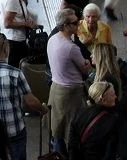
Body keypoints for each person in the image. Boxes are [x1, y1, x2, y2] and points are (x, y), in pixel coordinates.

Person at [0, 33, 48, 160]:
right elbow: (30, 102)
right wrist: (43, 109)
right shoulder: (16, 74)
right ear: (5, 48)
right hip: (14, 129)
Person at [47, 8, 91, 154]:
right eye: (75, 23)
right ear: (65, 26)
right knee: (72, 130)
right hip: (71, 93)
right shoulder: (71, 48)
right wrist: (88, 63)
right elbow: (85, 69)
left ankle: (58, 154)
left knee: (57, 128)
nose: (78, 24)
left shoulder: (52, 39)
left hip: (56, 88)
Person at [68, 81, 127, 160]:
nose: (115, 97)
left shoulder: (78, 115)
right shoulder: (114, 120)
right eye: (112, 95)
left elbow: (72, 146)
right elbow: (125, 151)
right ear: (103, 99)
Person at [0, 0, 37, 67]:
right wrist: (25, 23)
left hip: (10, 37)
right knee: (15, 66)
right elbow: (7, 23)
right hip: (15, 40)